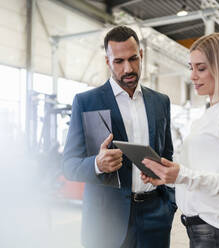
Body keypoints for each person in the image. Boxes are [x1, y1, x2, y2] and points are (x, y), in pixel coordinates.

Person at [141, 32, 219, 248]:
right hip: (204, 232)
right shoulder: (210, 114)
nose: (192, 76)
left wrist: (184, 176)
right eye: (191, 68)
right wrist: (170, 177)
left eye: (201, 68)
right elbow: (206, 171)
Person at [63, 26, 176, 248]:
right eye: (119, 61)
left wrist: (169, 203)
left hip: (155, 218)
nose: (128, 68)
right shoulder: (87, 102)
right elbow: (69, 165)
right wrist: (96, 164)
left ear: (141, 55)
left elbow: (168, 154)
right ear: (108, 62)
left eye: (133, 59)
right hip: (107, 222)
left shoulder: (161, 102)